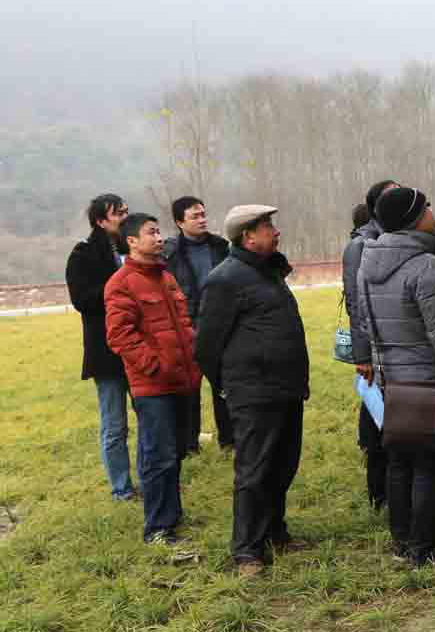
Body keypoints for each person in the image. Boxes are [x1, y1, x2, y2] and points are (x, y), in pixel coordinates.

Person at [357, 186, 435, 566]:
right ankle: (426, 548)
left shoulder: (366, 261)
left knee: (399, 463)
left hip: (392, 381)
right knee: (430, 467)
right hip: (429, 381)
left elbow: (365, 324)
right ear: (413, 218)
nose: (431, 211)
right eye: (426, 207)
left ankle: (402, 541)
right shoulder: (426, 265)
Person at [195, 205, 310, 577]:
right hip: (254, 392)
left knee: (282, 465)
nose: (275, 232)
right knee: (254, 471)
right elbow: (206, 346)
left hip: (285, 388)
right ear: (248, 237)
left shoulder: (268, 271)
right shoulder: (225, 279)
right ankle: (246, 551)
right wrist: (230, 386)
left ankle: (275, 532)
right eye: (267, 226)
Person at [104, 212, 201, 544]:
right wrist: (155, 366)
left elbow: (184, 325)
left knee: (175, 453)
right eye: (151, 233)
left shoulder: (167, 277)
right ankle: (158, 528)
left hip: (183, 379)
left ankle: (172, 515)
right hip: (153, 385)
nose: (159, 238)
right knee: (159, 456)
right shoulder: (121, 283)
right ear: (131, 241)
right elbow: (120, 336)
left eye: (159, 232)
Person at [66, 193, 136, 501]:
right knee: (115, 425)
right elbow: (81, 300)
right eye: (117, 213)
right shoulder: (82, 254)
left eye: (126, 211)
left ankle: (152, 479)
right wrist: (119, 286)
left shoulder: (134, 247)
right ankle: (122, 489)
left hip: (140, 349)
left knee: (152, 417)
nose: (124, 217)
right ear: (100, 220)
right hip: (106, 352)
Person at [343, 180, 398, 511]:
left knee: (392, 418)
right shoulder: (361, 245)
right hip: (375, 348)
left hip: (397, 344)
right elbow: (356, 303)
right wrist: (362, 354)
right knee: (379, 420)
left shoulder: (395, 236)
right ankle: (380, 492)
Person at [162, 195, 231, 453]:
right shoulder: (169, 254)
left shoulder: (220, 247)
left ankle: (229, 439)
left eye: (203, 214)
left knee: (223, 384)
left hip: (219, 323)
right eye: (195, 216)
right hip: (187, 325)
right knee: (189, 387)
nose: (202, 220)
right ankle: (189, 444)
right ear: (180, 222)